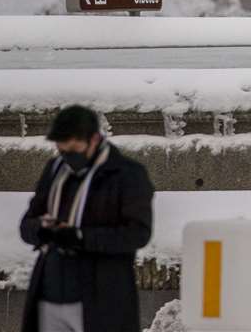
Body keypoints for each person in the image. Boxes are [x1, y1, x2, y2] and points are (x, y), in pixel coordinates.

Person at [18, 105, 153, 332]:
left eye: (74, 149)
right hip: (50, 292)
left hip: (100, 297)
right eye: (62, 150)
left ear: (95, 140)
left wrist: (80, 237)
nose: (69, 156)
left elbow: (138, 234)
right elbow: (27, 223)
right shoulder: (55, 169)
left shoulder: (127, 174)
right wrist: (41, 230)